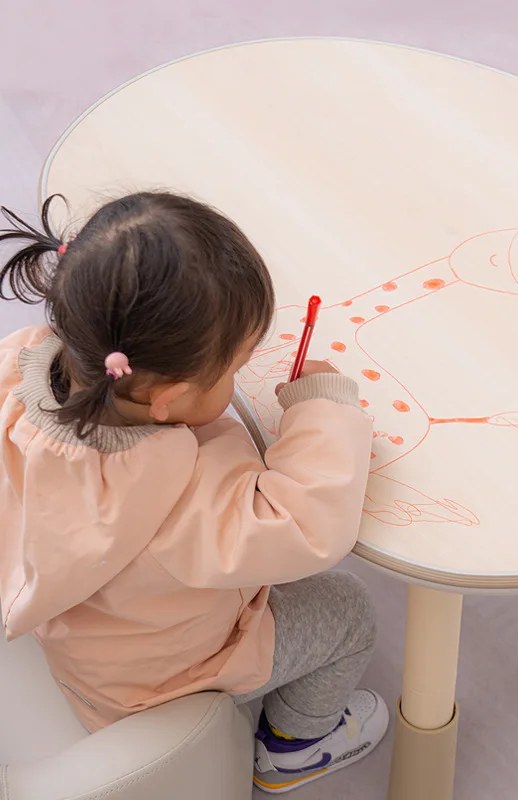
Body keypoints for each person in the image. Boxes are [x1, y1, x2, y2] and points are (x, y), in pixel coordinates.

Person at [0, 192, 389, 793]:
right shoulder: (176, 501)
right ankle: (294, 748)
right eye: (233, 370)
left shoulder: (17, 370)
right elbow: (308, 526)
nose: (237, 381)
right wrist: (322, 411)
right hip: (155, 684)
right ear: (168, 399)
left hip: (84, 640)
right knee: (349, 610)